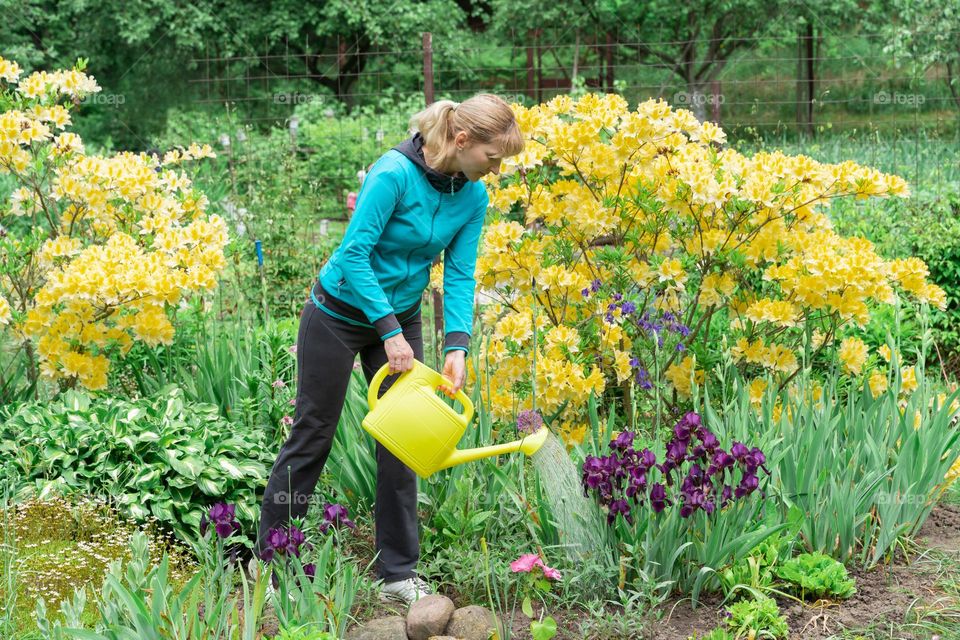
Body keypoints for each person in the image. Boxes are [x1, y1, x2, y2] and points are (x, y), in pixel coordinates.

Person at [255, 94, 524, 606]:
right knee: (313, 433)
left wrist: (458, 346)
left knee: (404, 441)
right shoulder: (393, 174)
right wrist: (387, 330)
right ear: (462, 141)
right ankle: (273, 563)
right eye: (493, 158)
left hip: (399, 317)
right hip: (338, 313)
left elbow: (462, 273)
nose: (495, 169)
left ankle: (397, 572)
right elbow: (353, 253)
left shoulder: (472, 196)